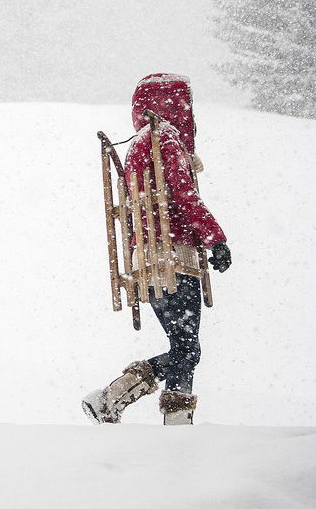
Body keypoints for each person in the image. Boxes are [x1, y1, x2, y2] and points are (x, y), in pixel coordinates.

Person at [82, 73, 232, 425]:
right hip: (174, 257)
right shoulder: (164, 139)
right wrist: (215, 238)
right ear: (173, 104)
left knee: (185, 347)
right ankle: (165, 418)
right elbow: (184, 196)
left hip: (146, 261)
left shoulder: (137, 143)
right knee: (187, 348)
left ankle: (114, 398)